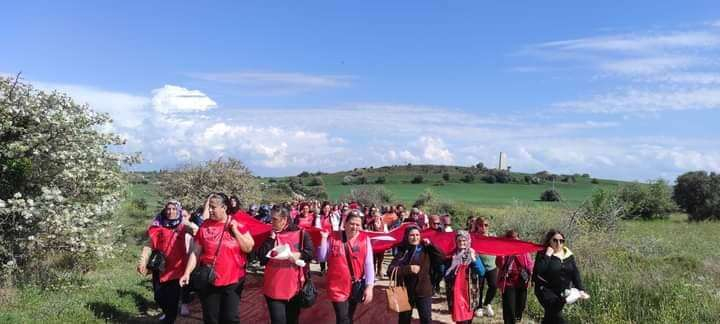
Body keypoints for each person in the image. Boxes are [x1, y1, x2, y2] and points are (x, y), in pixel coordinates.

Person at [179, 193, 255, 324]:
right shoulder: (204, 226)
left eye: (213, 207)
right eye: (209, 207)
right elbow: (195, 252)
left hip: (233, 280)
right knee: (211, 318)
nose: (210, 210)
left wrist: (235, 231)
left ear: (224, 207)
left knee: (230, 318)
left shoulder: (237, 224)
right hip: (210, 279)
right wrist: (187, 272)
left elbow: (248, 248)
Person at [138, 200, 198, 323]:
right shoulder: (157, 225)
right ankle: (168, 314)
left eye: (174, 209)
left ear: (179, 211)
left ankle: (170, 318)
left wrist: (187, 222)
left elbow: (198, 232)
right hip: (160, 267)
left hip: (176, 269)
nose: (171, 211)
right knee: (158, 296)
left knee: (172, 299)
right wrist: (142, 261)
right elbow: (149, 245)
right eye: (168, 209)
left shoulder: (183, 226)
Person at [257, 206, 315, 324]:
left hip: (294, 288)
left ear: (284, 219)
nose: (271, 222)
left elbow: (310, 253)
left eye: (274, 219)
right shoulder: (269, 234)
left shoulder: (300, 233)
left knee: (292, 320)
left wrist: (297, 255)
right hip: (273, 288)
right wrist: (270, 239)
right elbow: (262, 259)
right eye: (271, 218)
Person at [317, 211, 375, 324]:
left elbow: (369, 264)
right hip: (336, 285)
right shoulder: (333, 237)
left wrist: (369, 287)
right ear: (345, 223)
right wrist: (324, 239)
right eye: (352, 223)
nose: (354, 227)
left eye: (358, 225)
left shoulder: (365, 239)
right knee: (343, 318)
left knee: (348, 317)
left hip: (355, 285)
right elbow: (322, 258)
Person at [387, 226, 444, 324]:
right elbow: (390, 271)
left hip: (423, 290)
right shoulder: (402, 251)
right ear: (407, 237)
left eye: (417, 235)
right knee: (404, 320)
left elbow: (441, 257)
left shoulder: (426, 249)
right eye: (412, 235)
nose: (415, 237)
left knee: (426, 319)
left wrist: (431, 245)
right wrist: (408, 269)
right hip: (404, 291)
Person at [533, 230, 590, 324]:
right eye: (555, 240)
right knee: (556, 314)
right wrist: (547, 255)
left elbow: (574, 272)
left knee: (550, 316)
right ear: (549, 241)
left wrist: (580, 289)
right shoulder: (542, 254)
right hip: (545, 290)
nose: (558, 243)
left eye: (561, 241)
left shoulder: (568, 254)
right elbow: (539, 271)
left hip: (562, 293)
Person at [444, 230, 485, 324]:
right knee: (460, 319)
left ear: (468, 241)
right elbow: (445, 274)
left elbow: (481, 272)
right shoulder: (451, 255)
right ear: (456, 241)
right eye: (459, 241)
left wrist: (474, 259)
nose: (462, 243)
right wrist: (453, 266)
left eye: (464, 240)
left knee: (468, 318)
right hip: (456, 292)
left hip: (469, 292)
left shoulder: (473, 254)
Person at [496, 230, 534, 324]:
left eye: (516, 239)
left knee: (520, 307)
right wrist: (503, 253)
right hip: (508, 282)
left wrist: (531, 277)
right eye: (512, 239)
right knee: (509, 309)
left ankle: (515, 318)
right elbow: (499, 264)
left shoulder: (524, 250)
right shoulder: (504, 251)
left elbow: (529, 265)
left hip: (521, 282)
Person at [472, 217, 497, 317]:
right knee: (480, 288)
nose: (484, 227)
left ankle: (487, 304)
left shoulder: (493, 236)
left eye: (486, 225)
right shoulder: (474, 237)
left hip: (491, 266)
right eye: (481, 225)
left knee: (494, 286)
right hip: (480, 267)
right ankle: (479, 307)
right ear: (477, 226)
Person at [367, 211, 388, 279]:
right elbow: (368, 232)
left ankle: (379, 272)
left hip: (381, 244)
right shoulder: (370, 224)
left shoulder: (384, 224)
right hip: (373, 245)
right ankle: (373, 273)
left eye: (377, 216)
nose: (376, 217)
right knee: (373, 259)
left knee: (380, 259)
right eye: (375, 216)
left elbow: (386, 233)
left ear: (380, 217)